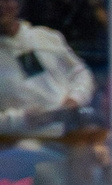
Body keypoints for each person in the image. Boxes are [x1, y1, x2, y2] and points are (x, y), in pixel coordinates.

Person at [0, 0, 95, 144]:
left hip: (71, 134)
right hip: (22, 147)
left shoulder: (47, 38)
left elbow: (81, 74)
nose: (2, 6)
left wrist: (74, 99)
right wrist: (24, 119)